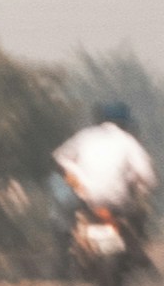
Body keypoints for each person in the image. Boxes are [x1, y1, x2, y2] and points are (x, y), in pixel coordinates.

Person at [59, 103, 153, 262]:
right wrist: (146, 186)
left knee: (74, 217)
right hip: (118, 202)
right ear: (124, 123)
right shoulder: (127, 140)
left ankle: (77, 250)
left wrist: (73, 175)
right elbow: (146, 175)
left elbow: (60, 157)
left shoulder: (84, 136)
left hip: (88, 200)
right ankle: (136, 251)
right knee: (137, 215)